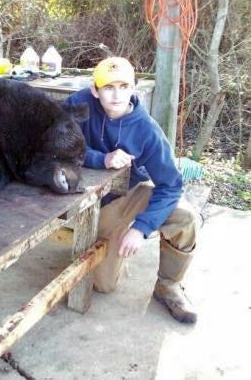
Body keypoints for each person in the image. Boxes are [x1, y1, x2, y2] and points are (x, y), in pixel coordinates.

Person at [65, 57, 199, 324]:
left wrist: (141, 228)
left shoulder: (146, 130)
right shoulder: (77, 105)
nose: (116, 95)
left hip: (132, 192)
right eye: (108, 87)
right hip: (97, 202)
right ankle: (112, 242)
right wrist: (99, 159)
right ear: (95, 90)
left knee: (186, 217)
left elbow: (171, 184)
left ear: (134, 88)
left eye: (124, 86)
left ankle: (169, 285)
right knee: (103, 285)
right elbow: (55, 143)